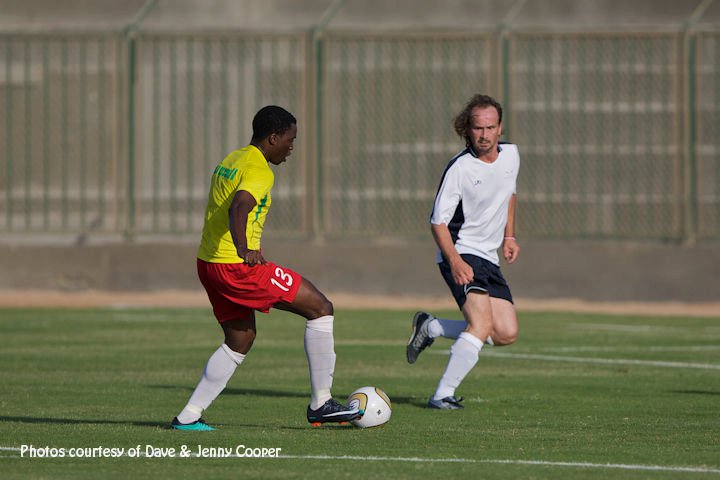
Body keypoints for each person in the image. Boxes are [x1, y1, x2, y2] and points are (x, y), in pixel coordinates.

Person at [171, 105, 361, 430]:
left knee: (240, 339)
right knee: (321, 307)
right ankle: (321, 403)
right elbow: (239, 206)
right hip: (237, 265)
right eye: (290, 140)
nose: (291, 148)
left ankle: (188, 416)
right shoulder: (260, 171)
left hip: (209, 263)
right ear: (273, 138)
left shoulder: (233, 158)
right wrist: (245, 248)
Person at [406, 94, 520, 410]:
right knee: (481, 325)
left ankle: (432, 327)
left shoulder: (511, 155)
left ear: (500, 128)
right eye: (477, 128)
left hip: (489, 257)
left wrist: (509, 235)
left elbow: (510, 193)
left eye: (490, 127)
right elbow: (437, 221)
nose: (484, 135)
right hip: (461, 252)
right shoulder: (460, 168)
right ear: (467, 130)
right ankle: (442, 394)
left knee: (506, 333)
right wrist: (454, 261)